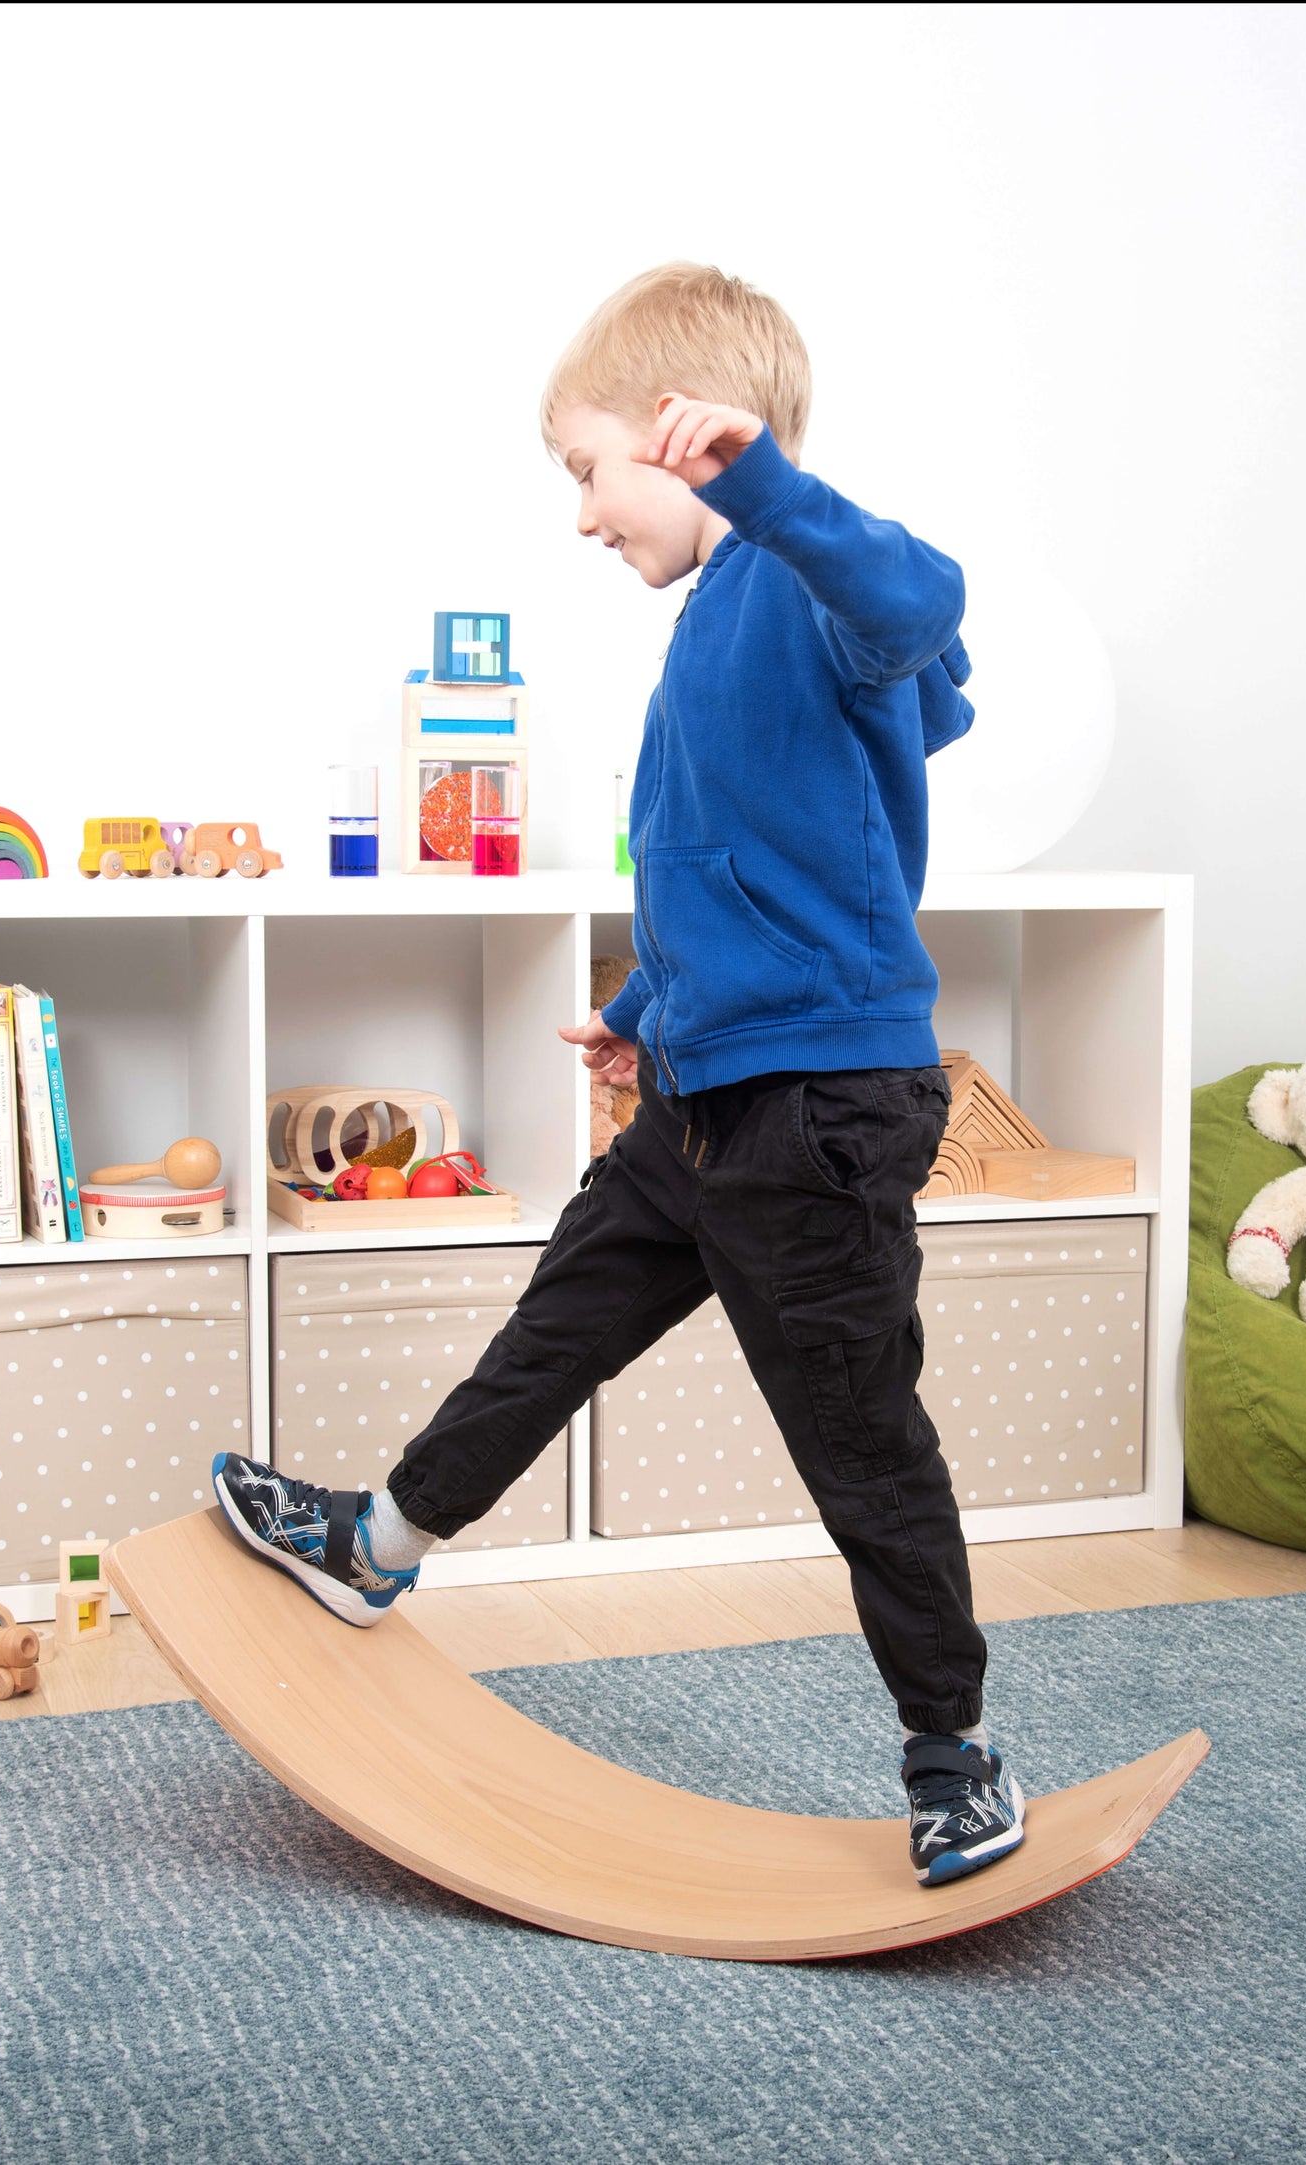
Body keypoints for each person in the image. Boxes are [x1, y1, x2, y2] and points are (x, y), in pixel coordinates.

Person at [213, 262, 1025, 1887]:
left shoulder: (799, 576)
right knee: (553, 1327)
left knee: (859, 1441)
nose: (583, 515)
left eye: (589, 469)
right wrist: (646, 1002)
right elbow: (732, 862)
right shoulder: (708, 631)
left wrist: (770, 486)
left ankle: (954, 1755)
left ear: (687, 436)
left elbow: (920, 607)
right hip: (705, 1096)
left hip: (819, 1114)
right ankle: (379, 1545)